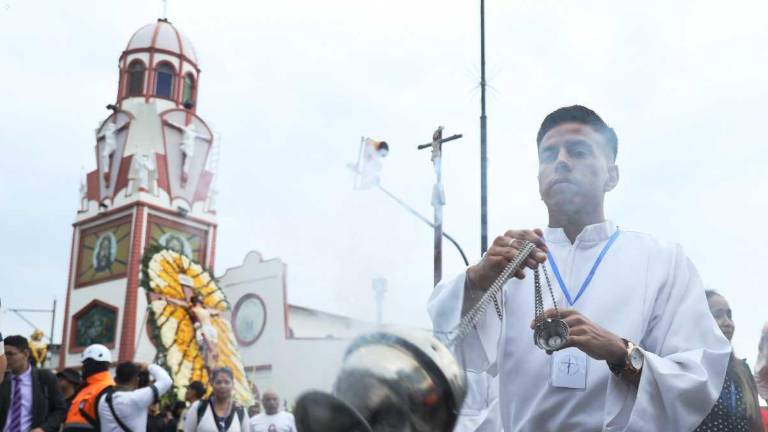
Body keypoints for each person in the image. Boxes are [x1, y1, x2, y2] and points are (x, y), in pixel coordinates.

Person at [429, 105, 732, 431]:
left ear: (611, 176)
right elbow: (451, 352)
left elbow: (698, 377)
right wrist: (476, 280)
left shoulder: (661, 262)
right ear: (539, 179)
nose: (560, 161)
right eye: (548, 155)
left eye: (578, 151)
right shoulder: (509, 262)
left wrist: (620, 351)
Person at [694, 291, 763, 431]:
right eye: (718, 315)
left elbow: (756, 424)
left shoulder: (743, 370)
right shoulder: (690, 366)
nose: (728, 323)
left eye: (729, 315)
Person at [0, 335, 67, 432]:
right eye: (3, 355)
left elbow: (60, 410)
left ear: (25, 354)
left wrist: (44, 429)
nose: (6, 359)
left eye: (10, 354)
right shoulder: (3, 379)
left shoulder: (45, 378)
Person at [96, 361, 173, 432]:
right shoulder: (136, 399)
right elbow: (167, 380)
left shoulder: (104, 399)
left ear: (115, 379)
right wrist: (148, 366)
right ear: (136, 381)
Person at [62, 344, 115, 431]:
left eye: (86, 365)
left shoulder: (107, 389)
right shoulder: (85, 388)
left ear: (93, 365)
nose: (83, 368)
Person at [184, 367, 249, 432]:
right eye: (218, 382)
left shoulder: (241, 411)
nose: (222, 386)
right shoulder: (199, 407)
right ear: (212, 383)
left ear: (233, 384)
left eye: (227, 382)